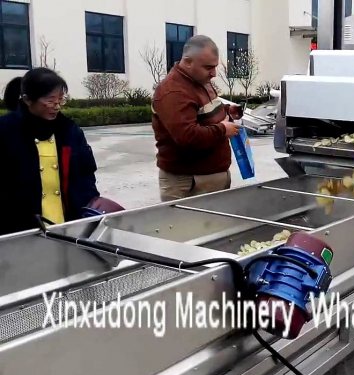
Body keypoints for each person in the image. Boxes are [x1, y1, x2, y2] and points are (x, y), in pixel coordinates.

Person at [0, 68, 123, 236]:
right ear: (28, 100)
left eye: (61, 100)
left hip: (68, 223)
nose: (57, 107)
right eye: (50, 101)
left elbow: (86, 172)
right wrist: (20, 213)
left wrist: (87, 203)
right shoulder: (6, 131)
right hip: (19, 229)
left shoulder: (69, 131)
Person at [152, 35, 244, 202]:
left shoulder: (198, 80)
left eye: (215, 67)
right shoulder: (173, 91)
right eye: (209, 68)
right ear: (187, 62)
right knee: (187, 228)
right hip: (189, 182)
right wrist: (223, 129)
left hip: (207, 179)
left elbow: (202, 113)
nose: (214, 73)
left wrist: (226, 111)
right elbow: (187, 136)